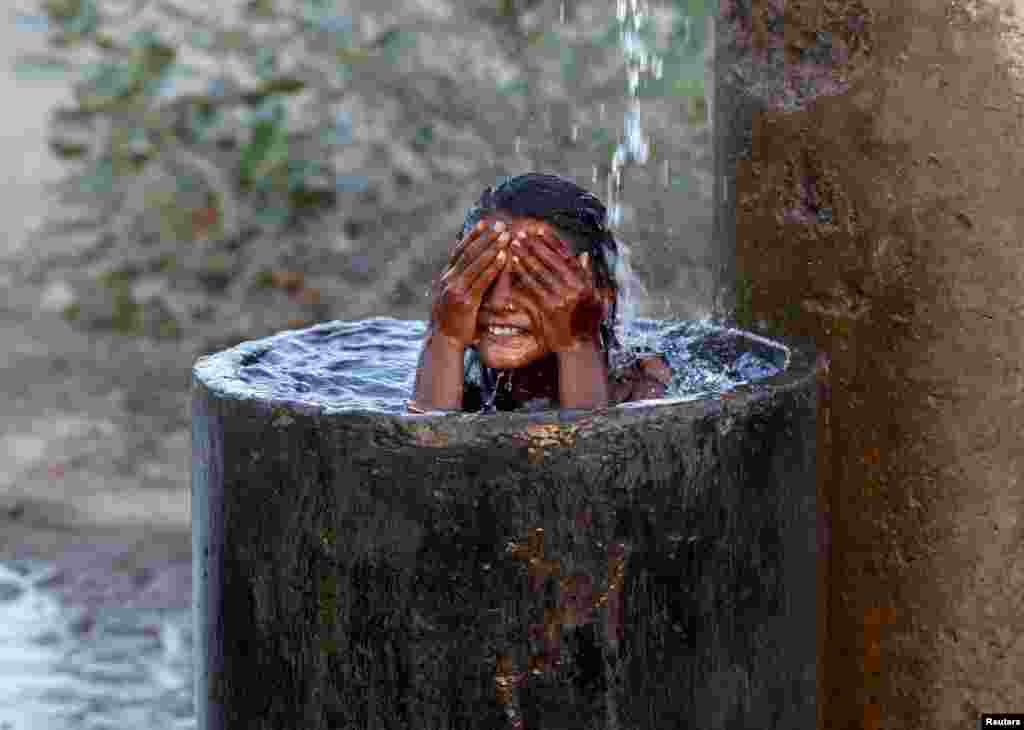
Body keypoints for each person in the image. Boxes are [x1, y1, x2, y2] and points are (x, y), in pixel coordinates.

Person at [408, 173, 672, 414]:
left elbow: (589, 458)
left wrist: (577, 343)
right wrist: (445, 337)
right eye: (484, 278)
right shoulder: (460, 384)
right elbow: (427, 453)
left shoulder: (644, 391)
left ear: (600, 296)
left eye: (531, 280)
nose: (500, 302)